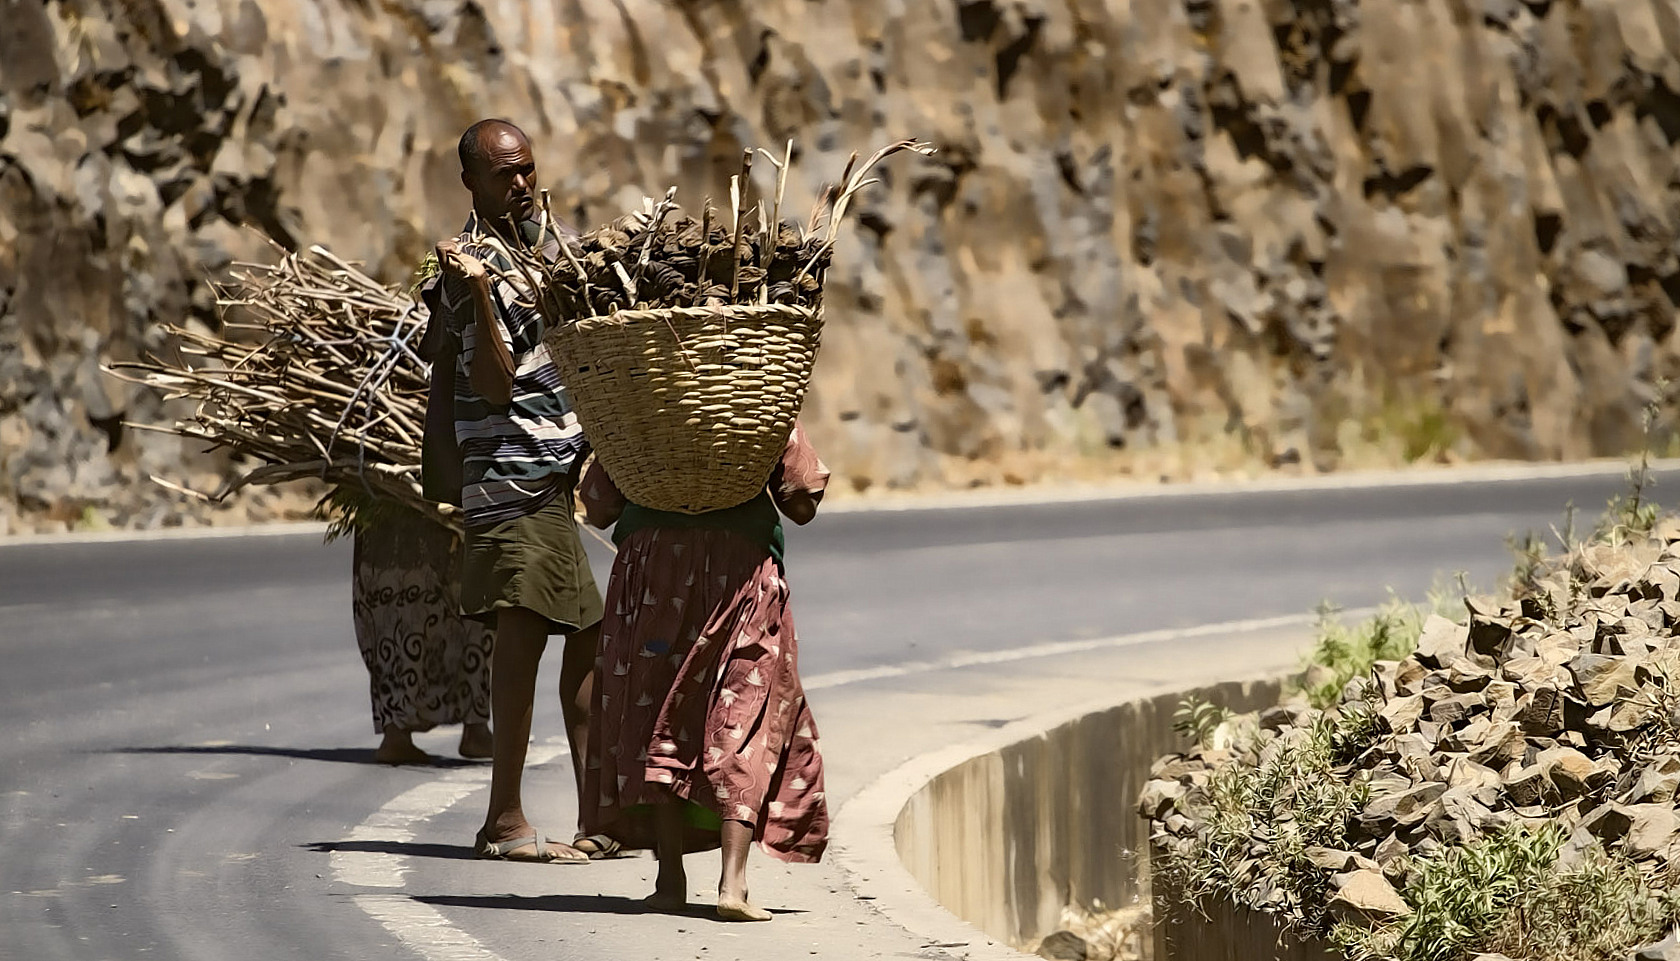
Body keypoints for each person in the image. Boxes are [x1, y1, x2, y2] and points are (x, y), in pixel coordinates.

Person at [425, 118, 611, 864]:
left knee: (587, 637)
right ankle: (503, 818)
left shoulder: (539, 250)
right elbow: (493, 385)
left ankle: (598, 812)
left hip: (549, 477)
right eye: (505, 175)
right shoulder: (469, 265)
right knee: (522, 637)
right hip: (507, 475)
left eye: (527, 169)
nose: (522, 184)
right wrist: (474, 295)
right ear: (471, 182)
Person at [578, 421, 832, 921]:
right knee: (741, 715)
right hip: (738, 571)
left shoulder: (638, 399)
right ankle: (732, 885)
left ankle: (669, 880)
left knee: (660, 717)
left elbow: (599, 505)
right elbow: (801, 501)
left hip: (650, 569)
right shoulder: (756, 398)